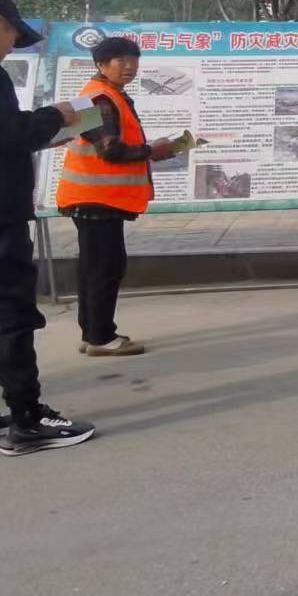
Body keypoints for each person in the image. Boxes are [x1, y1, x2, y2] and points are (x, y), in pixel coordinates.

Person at [0, 0, 97, 455]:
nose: (9, 49)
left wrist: (38, 135)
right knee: (9, 317)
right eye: (13, 38)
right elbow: (8, 134)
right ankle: (28, 420)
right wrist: (57, 116)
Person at [56, 36, 180, 356]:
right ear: (101, 64)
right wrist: (151, 151)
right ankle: (101, 338)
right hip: (97, 198)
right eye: (120, 60)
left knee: (95, 267)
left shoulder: (102, 95)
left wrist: (152, 152)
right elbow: (110, 150)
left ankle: (93, 333)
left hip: (94, 197)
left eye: (133, 60)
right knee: (104, 268)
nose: (129, 66)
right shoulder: (100, 99)